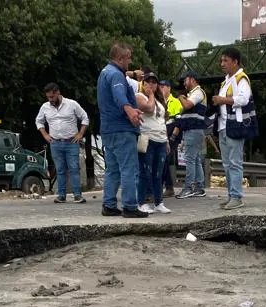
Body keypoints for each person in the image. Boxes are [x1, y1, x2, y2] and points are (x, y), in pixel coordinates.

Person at [97, 42, 146, 218]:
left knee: (113, 169)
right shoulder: (117, 76)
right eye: (128, 57)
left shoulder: (105, 72)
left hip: (108, 129)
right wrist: (129, 109)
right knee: (129, 168)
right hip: (122, 129)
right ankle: (130, 206)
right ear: (120, 58)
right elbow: (119, 95)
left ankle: (109, 204)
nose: (130, 61)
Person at [212, 47, 257, 210]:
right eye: (221, 60)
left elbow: (243, 99)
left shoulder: (241, 79)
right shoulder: (226, 80)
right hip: (224, 125)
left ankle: (237, 196)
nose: (222, 63)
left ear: (235, 61)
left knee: (234, 162)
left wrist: (222, 99)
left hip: (235, 125)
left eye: (226, 60)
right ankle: (232, 195)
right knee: (227, 164)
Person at [36, 82, 89, 203]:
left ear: (58, 93)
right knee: (60, 169)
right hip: (55, 142)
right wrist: (45, 134)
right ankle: (61, 195)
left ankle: (77, 195)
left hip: (71, 141)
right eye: (48, 97)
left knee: (74, 168)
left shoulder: (72, 104)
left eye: (52, 97)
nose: (50, 100)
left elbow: (85, 117)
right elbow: (38, 121)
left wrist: (80, 134)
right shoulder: (45, 107)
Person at [135, 72, 170, 214]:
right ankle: (141, 202)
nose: (151, 84)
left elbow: (163, 121)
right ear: (143, 84)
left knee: (158, 173)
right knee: (145, 172)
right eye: (148, 82)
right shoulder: (140, 96)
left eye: (154, 82)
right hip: (147, 139)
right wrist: (150, 95)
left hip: (161, 140)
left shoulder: (160, 101)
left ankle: (159, 202)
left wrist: (167, 141)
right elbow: (148, 109)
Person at [175, 71, 208, 199]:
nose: (184, 82)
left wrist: (181, 97)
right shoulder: (195, 93)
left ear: (192, 79)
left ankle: (188, 188)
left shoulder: (197, 92)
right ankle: (199, 187)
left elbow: (188, 104)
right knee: (195, 160)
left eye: (185, 80)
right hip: (195, 131)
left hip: (193, 130)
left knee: (189, 159)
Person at [159, 79, 182, 196]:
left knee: (165, 159)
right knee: (164, 161)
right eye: (160, 87)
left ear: (169, 88)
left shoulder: (176, 102)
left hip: (172, 135)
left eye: (164, 86)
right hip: (162, 134)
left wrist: (173, 136)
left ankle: (162, 186)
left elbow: (178, 121)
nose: (161, 89)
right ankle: (169, 187)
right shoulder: (159, 102)